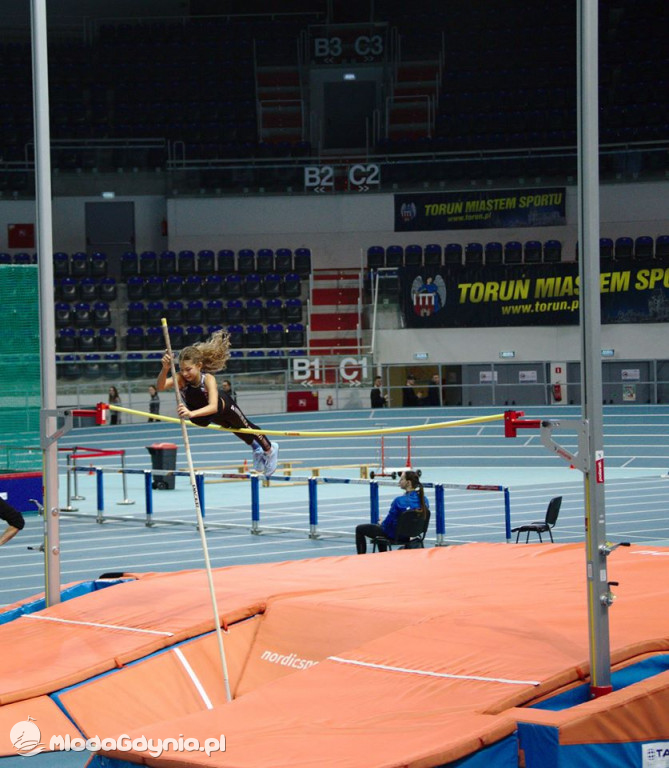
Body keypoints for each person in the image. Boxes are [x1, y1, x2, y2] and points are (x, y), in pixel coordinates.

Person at [157, 329, 279, 477]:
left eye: (188, 369)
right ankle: (256, 448)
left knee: (245, 426)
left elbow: (213, 406)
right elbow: (160, 386)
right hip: (206, 414)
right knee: (232, 428)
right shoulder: (180, 379)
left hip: (223, 407)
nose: (185, 373)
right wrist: (165, 369)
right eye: (182, 370)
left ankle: (269, 449)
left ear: (199, 366)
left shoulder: (208, 379)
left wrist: (190, 413)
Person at [355, 470, 428, 554]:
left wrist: (382, 523)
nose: (399, 481)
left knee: (360, 529)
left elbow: (387, 524)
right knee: (381, 530)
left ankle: (361, 557)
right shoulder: (424, 500)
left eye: (401, 479)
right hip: (413, 534)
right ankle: (384, 555)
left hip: (396, 535)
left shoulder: (399, 501)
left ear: (408, 483)